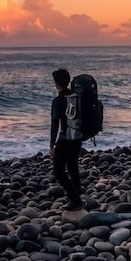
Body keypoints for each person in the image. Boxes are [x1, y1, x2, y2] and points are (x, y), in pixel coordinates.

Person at [49, 68, 87, 210]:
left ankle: (74, 198)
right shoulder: (77, 97)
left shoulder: (58, 100)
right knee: (72, 167)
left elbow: (54, 124)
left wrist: (52, 145)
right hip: (77, 137)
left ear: (57, 83)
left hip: (65, 138)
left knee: (58, 169)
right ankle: (77, 197)